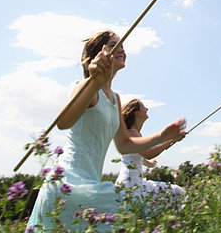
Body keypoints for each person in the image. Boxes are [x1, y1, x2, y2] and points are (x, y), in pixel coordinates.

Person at [27, 30, 186, 232]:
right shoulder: (86, 86)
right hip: (69, 183)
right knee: (126, 214)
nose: (121, 49)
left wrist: (163, 136)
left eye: (122, 45)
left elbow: (125, 144)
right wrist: (94, 80)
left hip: (90, 183)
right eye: (113, 45)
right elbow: (63, 122)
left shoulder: (115, 98)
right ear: (97, 55)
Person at [115, 99, 186, 199]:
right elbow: (148, 153)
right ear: (137, 113)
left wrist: (149, 163)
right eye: (144, 107)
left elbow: (138, 156)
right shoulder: (132, 133)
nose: (147, 109)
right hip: (130, 184)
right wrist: (171, 139)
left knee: (176, 192)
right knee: (176, 192)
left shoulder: (135, 133)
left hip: (136, 182)